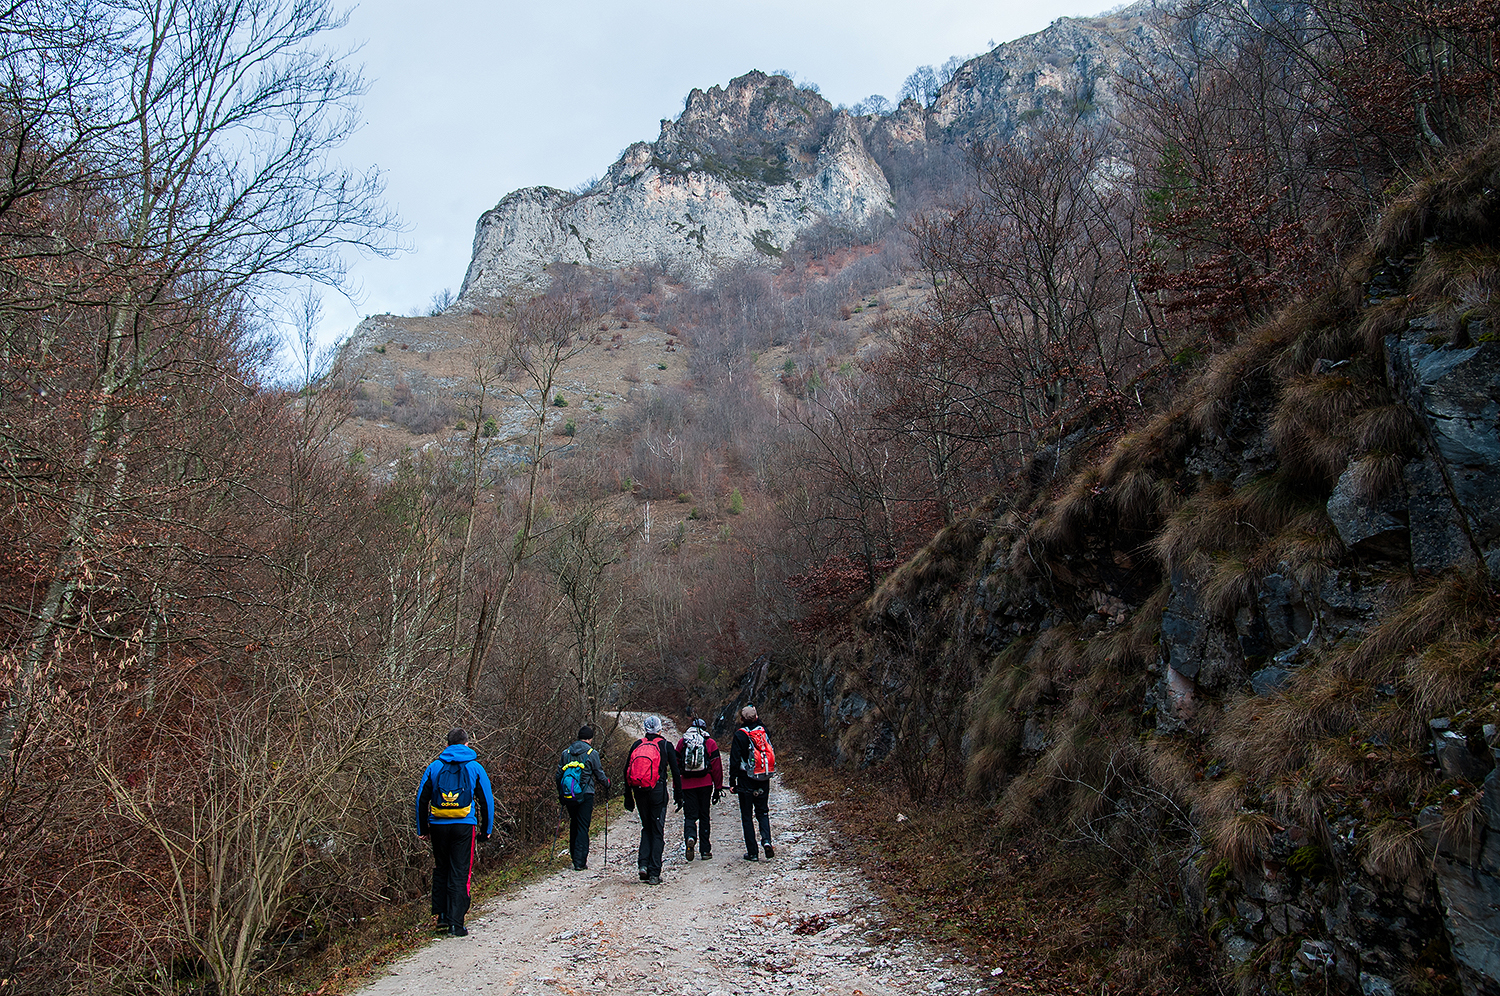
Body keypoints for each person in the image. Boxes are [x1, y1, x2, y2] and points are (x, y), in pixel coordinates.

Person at [415, 727, 495, 937]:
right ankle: (456, 924)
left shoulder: (434, 767)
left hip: (438, 825)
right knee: (461, 871)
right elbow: (486, 800)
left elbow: (421, 799)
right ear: (467, 744)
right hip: (464, 826)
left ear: (447, 745)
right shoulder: (475, 767)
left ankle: (441, 917)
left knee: (442, 868)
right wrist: (486, 830)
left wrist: (423, 828)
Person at [622, 715, 681, 884]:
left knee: (646, 827)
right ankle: (654, 872)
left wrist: (628, 796)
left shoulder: (637, 745)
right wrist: (679, 795)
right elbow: (676, 772)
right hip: (658, 793)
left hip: (639, 792)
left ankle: (643, 865)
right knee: (657, 830)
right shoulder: (665, 745)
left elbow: (626, 770)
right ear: (660, 729)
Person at [556, 725, 610, 870]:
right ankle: (580, 862)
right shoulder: (592, 753)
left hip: (569, 794)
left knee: (574, 823)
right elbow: (599, 774)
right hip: (586, 794)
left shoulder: (566, 753)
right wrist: (607, 784)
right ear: (590, 738)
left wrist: (561, 793)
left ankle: (574, 857)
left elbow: (558, 775)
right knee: (582, 826)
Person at [729, 705, 775, 861]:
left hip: (745, 780)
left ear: (742, 719)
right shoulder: (763, 731)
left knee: (747, 816)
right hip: (763, 777)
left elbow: (734, 760)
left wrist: (732, 781)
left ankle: (753, 852)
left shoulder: (740, 735)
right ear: (756, 717)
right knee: (762, 812)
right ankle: (767, 841)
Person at [674, 717, 723, 861]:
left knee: (689, 816)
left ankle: (690, 837)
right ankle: (705, 850)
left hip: (687, 784)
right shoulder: (710, 742)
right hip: (705, 784)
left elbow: (676, 767)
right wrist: (718, 788)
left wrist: (677, 789)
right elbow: (716, 767)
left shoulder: (682, 742)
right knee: (704, 816)